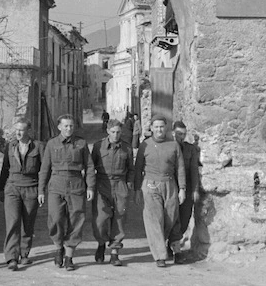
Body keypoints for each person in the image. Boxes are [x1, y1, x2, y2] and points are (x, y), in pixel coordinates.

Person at [38, 114, 96, 271]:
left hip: (76, 184)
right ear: (59, 127)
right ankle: (58, 247)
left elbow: (89, 167)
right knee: (55, 218)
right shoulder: (51, 144)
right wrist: (41, 190)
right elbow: (44, 169)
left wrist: (90, 186)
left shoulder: (81, 143)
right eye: (66, 126)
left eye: (71, 126)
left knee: (76, 219)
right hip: (56, 184)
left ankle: (69, 256)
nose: (69, 128)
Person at [134, 115, 186, 267]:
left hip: (169, 183)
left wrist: (182, 188)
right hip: (150, 184)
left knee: (170, 217)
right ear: (151, 128)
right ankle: (160, 256)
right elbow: (138, 170)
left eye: (162, 127)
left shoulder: (174, 145)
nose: (159, 130)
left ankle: (168, 246)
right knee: (154, 219)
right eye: (156, 127)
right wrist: (137, 190)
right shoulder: (145, 145)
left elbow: (180, 168)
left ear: (166, 128)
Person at [0, 118, 45, 271]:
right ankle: (12, 257)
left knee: (28, 223)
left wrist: (42, 190)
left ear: (28, 131)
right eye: (16, 129)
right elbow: (5, 168)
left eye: (21, 130)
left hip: (31, 187)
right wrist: (0, 188)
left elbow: (44, 170)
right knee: (12, 222)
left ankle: (24, 253)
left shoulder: (38, 147)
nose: (18, 133)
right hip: (12, 187)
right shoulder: (10, 146)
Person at [91, 119, 134, 266]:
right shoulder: (98, 147)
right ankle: (101, 243)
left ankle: (115, 252)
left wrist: (129, 184)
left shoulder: (126, 148)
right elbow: (91, 167)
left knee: (119, 218)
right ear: (108, 131)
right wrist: (90, 186)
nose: (116, 135)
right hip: (102, 183)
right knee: (101, 218)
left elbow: (131, 169)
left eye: (118, 132)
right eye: (113, 132)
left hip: (120, 183)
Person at [167, 120, 200, 258]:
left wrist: (195, 190)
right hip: (171, 188)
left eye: (184, 134)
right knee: (172, 218)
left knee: (185, 218)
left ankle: (172, 242)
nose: (182, 137)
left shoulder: (190, 149)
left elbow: (194, 170)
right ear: (173, 133)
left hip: (186, 188)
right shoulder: (168, 147)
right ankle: (175, 248)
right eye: (179, 134)